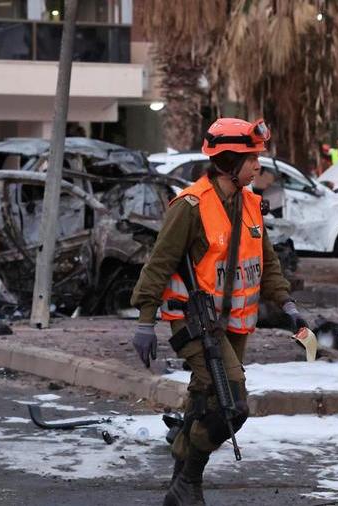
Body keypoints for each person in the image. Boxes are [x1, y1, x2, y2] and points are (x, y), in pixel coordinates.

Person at [129, 118, 308, 505]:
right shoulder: (190, 206)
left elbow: (268, 263)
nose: (257, 165)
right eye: (251, 158)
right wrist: (145, 322)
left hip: (233, 324)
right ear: (228, 162)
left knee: (205, 399)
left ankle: (181, 487)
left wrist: (287, 305)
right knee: (234, 406)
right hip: (193, 321)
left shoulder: (250, 203)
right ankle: (189, 478)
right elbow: (159, 265)